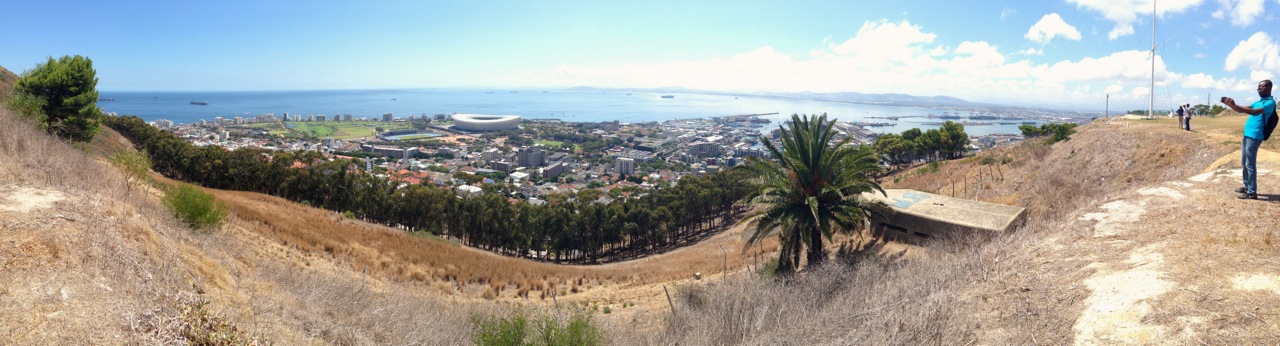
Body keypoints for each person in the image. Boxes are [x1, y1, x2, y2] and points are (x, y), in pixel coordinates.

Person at [1222, 79, 1275, 200]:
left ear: (1268, 88)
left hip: (1255, 135)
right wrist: (1232, 105)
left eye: (1260, 88)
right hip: (1247, 135)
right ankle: (1246, 186)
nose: (1258, 90)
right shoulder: (1259, 101)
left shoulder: (1270, 103)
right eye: (1258, 88)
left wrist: (1235, 105)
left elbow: (1254, 112)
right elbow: (1241, 110)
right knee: (1244, 162)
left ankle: (1252, 192)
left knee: (1250, 164)